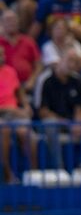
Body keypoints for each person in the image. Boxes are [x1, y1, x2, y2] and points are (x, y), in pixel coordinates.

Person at [0, 43, 38, 183]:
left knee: (28, 135)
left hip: (13, 113)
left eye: (3, 54)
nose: (2, 57)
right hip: (3, 115)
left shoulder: (10, 71)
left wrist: (26, 106)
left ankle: (33, 175)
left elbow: (19, 92)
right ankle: (8, 174)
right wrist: (11, 110)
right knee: (4, 130)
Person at [0, 9, 42, 93]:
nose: (11, 23)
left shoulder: (28, 41)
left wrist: (32, 80)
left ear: (18, 23)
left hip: (26, 84)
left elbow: (39, 65)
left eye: (13, 20)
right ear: (1, 24)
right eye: (8, 20)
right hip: (4, 85)